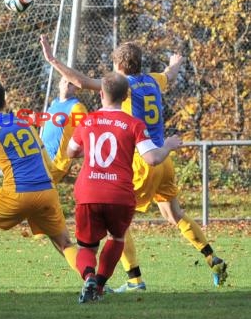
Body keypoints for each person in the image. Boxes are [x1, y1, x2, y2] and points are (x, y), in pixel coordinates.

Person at [40, 35, 228, 290]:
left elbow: (81, 82)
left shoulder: (123, 86)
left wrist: (53, 60)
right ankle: (211, 257)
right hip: (163, 158)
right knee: (174, 213)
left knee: (117, 223)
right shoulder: (152, 79)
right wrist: (176, 63)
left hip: (143, 160)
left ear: (117, 65)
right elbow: (170, 76)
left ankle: (134, 279)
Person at [0, 81, 79, 296]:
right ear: (5, 101)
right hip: (46, 190)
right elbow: (45, 158)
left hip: (17, 193)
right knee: (64, 243)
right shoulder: (25, 123)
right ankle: (93, 280)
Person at [66, 72, 182, 303]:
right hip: (119, 193)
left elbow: (71, 152)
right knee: (117, 238)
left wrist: (87, 149)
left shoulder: (87, 121)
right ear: (126, 95)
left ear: (101, 94)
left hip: (89, 191)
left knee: (86, 247)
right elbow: (152, 159)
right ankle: (98, 286)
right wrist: (168, 145)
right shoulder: (134, 124)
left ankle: (88, 276)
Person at [41, 77, 88, 184]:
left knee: (35, 190)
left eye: (71, 83)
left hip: (57, 162)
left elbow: (87, 133)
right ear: (59, 84)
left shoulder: (77, 108)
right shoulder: (54, 103)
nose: (67, 85)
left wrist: (78, 152)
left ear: (76, 87)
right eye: (64, 81)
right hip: (42, 156)